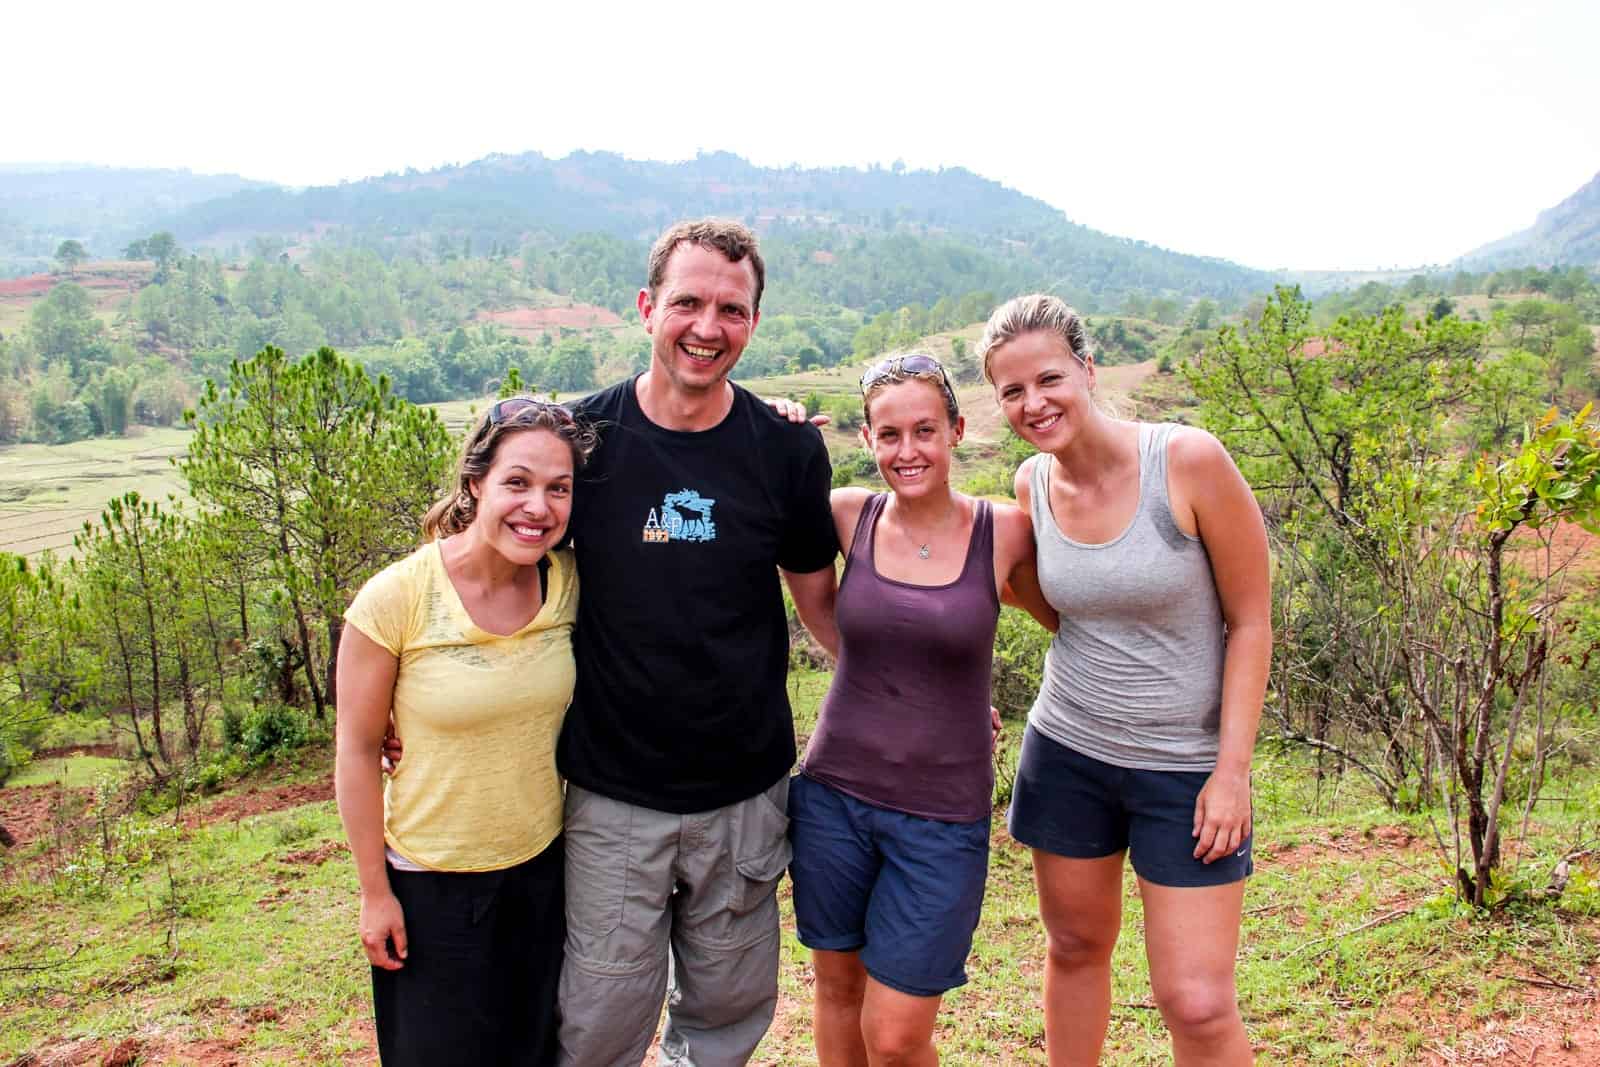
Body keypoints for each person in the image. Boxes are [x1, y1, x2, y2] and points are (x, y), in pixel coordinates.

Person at [554, 219, 839, 1067]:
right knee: (598, 1018)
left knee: (725, 1016)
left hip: (743, 798)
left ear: (753, 322)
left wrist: (920, 703)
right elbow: (495, 576)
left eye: (732, 308)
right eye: (688, 302)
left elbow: (823, 606)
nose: (707, 327)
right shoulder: (582, 443)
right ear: (647, 307)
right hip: (610, 795)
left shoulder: (786, 449)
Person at [980, 294, 1270, 1067]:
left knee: (1198, 1002)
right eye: (1012, 391)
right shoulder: (1030, 485)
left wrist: (1232, 771)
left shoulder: (1187, 461)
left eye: (1049, 378)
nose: (1034, 403)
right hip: (1069, 749)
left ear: (1088, 370)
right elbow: (1063, 613)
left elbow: (1251, 621)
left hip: (1185, 762)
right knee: (1075, 947)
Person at [788, 352, 1053, 1067]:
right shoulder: (849, 513)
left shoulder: (1007, 531)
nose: (907, 451)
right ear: (870, 439)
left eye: (924, 431)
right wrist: (779, 427)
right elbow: (788, 552)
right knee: (838, 989)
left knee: (899, 1034)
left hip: (941, 815)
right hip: (833, 795)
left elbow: (1069, 618)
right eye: (889, 434)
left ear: (958, 430)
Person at [334, 399, 597, 1065]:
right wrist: (374, 893)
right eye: (517, 482)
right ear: (475, 481)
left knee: (532, 1052)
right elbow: (359, 749)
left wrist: (754, 416)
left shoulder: (567, 584)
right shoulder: (396, 599)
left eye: (557, 488)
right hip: (430, 886)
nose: (538, 507)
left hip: (540, 873)